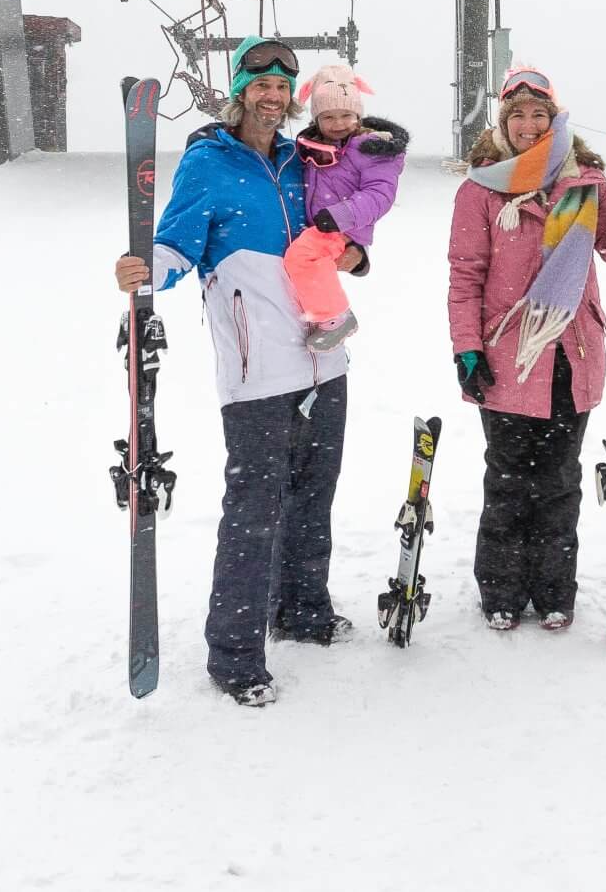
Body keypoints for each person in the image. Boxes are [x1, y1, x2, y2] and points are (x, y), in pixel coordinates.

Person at [111, 37, 360, 707]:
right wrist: (147, 269)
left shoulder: (301, 160)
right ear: (241, 88)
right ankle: (235, 653)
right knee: (254, 511)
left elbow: (344, 218)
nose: (274, 96)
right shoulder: (208, 162)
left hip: (325, 353)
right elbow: (175, 243)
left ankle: (303, 610)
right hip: (258, 374)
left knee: (313, 497)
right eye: (262, 83)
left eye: (284, 85)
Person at [445, 63, 606, 631]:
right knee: (508, 479)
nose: (529, 125)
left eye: (539, 114)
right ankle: (503, 590)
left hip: (572, 352)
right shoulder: (481, 189)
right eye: (518, 116)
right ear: (502, 123)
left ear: (554, 118)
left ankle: (555, 590)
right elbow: (466, 275)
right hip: (508, 355)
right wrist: (467, 349)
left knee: (560, 480)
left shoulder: (585, 181)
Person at [283, 64, 410, 351]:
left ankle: (335, 317)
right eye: (328, 116)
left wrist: (342, 215)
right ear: (316, 119)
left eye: (346, 115)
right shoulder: (313, 147)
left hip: (346, 227)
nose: (338, 123)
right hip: (324, 225)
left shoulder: (371, 149)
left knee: (301, 257)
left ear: (358, 115)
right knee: (306, 260)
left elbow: (380, 194)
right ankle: (320, 312)